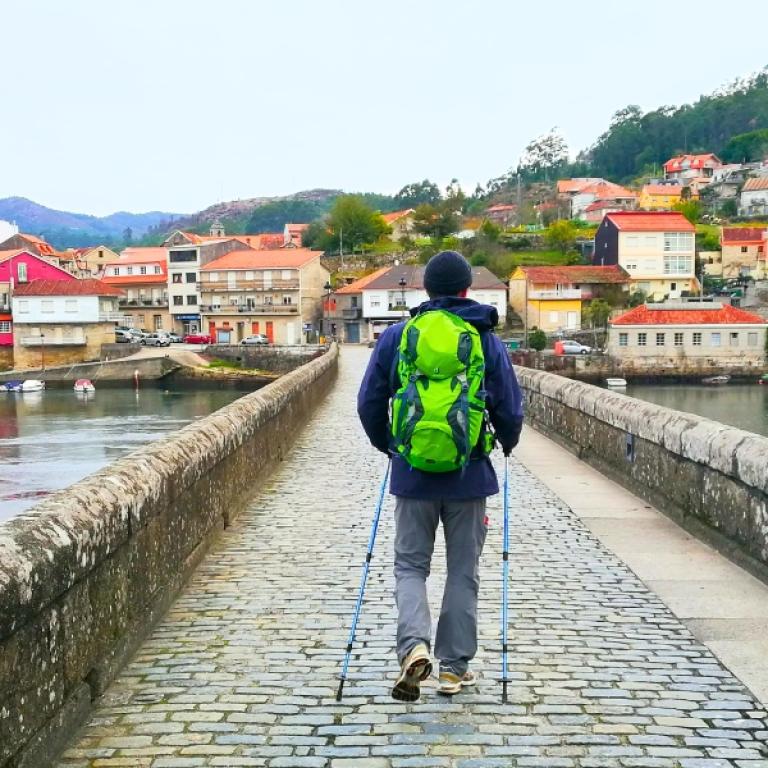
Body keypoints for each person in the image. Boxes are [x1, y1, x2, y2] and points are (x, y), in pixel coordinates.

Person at [357, 250, 524, 701]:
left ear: (425, 289)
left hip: (412, 476)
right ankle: (453, 669)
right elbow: (509, 405)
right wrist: (506, 442)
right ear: (468, 289)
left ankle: (413, 646)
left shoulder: (398, 335)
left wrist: (389, 446)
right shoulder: (485, 338)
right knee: (462, 572)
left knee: (410, 566)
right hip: (469, 478)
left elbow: (368, 402)